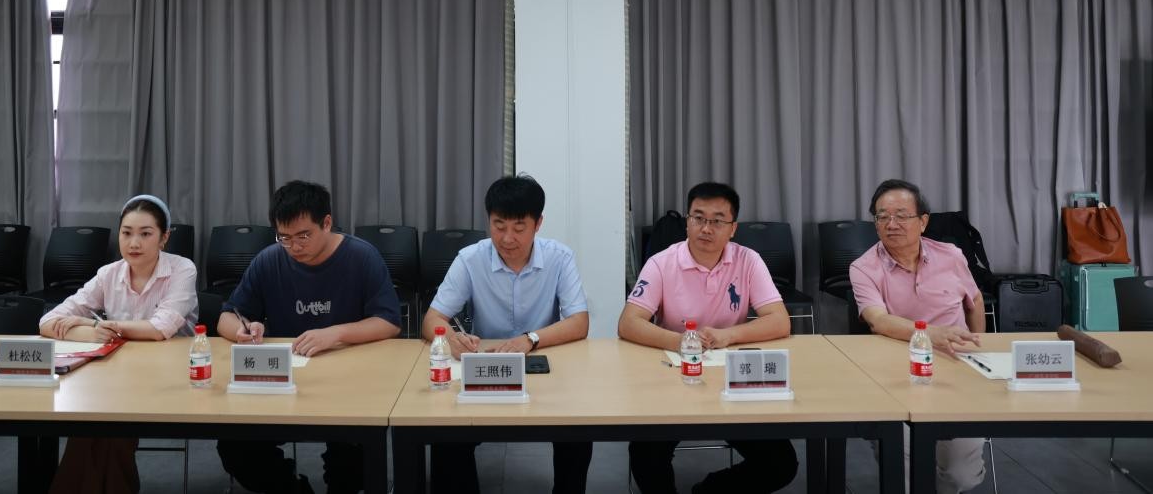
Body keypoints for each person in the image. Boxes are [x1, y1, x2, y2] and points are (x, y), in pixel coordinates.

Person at [216, 180, 401, 494]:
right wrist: (242, 330)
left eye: (303, 236)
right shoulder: (270, 260)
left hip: (349, 384)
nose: (294, 247)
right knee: (235, 446)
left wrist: (335, 333)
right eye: (284, 237)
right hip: (285, 382)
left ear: (326, 223)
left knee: (353, 460)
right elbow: (226, 316)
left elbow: (389, 322)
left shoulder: (361, 257)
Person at [619, 181, 797, 494]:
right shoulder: (662, 262)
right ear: (687, 221)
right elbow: (628, 323)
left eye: (717, 221)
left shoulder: (748, 260)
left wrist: (728, 335)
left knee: (780, 464)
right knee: (645, 455)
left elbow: (780, 321)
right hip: (673, 378)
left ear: (733, 228)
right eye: (698, 218)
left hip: (731, 379)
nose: (706, 228)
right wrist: (681, 342)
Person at [421, 173, 592, 492]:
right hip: (485, 367)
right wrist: (451, 339)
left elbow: (579, 321)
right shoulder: (471, 259)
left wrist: (530, 339)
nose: (507, 238)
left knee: (578, 431)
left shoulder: (559, 257)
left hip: (542, 367)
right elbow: (432, 318)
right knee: (446, 435)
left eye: (519, 228)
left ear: (538, 224)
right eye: (499, 226)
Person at [39, 194, 198, 494]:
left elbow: (159, 328)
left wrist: (96, 325)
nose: (134, 243)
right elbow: (48, 322)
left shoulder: (182, 269)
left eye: (145, 234)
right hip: (117, 376)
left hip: (171, 377)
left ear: (164, 237)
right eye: (126, 233)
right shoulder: (108, 274)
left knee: (108, 424)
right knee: (92, 423)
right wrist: (89, 329)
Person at [850, 178, 986, 494]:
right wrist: (931, 334)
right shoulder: (863, 267)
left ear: (923, 221)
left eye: (901, 215)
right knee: (905, 473)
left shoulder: (951, 256)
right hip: (894, 376)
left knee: (960, 476)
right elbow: (878, 320)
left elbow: (975, 300)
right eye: (882, 216)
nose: (891, 224)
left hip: (957, 372)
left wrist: (979, 348)